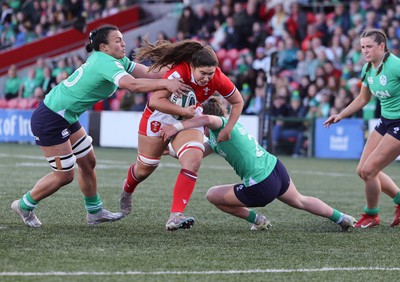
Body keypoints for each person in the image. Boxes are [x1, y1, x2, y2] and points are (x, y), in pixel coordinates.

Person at [11, 24, 189, 228]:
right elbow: (131, 85)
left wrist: (181, 70)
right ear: (104, 47)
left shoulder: (115, 59)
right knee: (64, 175)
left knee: (88, 162)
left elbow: (149, 72)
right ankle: (24, 205)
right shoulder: (105, 62)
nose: (123, 43)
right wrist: (166, 84)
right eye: (118, 40)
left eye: (122, 38)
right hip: (51, 118)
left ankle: (94, 212)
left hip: (65, 115)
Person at [159, 96, 356, 231]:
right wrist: (171, 151)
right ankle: (341, 218)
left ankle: (258, 220)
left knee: (212, 195)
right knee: (300, 200)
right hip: (275, 169)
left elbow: (207, 119)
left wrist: (177, 126)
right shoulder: (225, 129)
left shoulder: (220, 125)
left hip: (261, 184)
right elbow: (198, 153)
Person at [119, 39, 244, 231]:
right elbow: (155, 101)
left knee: (193, 159)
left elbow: (238, 102)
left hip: (188, 116)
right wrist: (182, 111)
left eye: (210, 73)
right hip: (159, 116)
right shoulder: (178, 73)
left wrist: (228, 128)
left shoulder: (216, 76)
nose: (207, 78)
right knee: (146, 168)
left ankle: (175, 215)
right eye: (203, 73)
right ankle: (127, 190)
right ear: (192, 67)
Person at [323, 29, 400, 228]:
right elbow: (363, 99)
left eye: (369, 46)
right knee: (362, 170)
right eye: (362, 47)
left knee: (369, 170)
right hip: (385, 122)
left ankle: (371, 215)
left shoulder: (396, 66)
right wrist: (340, 115)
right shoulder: (367, 68)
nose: (364, 50)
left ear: (382, 46)